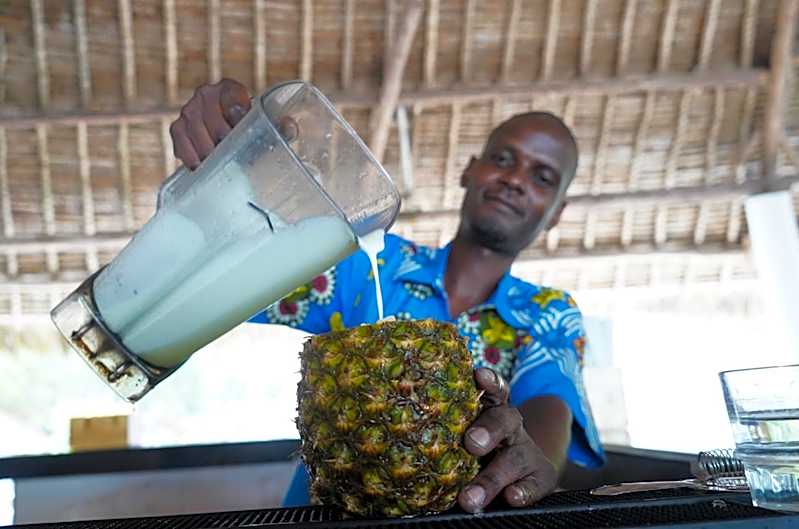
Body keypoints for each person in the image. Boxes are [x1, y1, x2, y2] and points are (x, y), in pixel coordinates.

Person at [169, 79, 605, 513]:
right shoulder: (368, 261)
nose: (514, 179)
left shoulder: (549, 312)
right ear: (469, 171)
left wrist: (535, 459)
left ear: (557, 212)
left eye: (542, 176)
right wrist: (229, 163)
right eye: (502, 159)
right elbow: (238, 265)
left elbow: (552, 404)